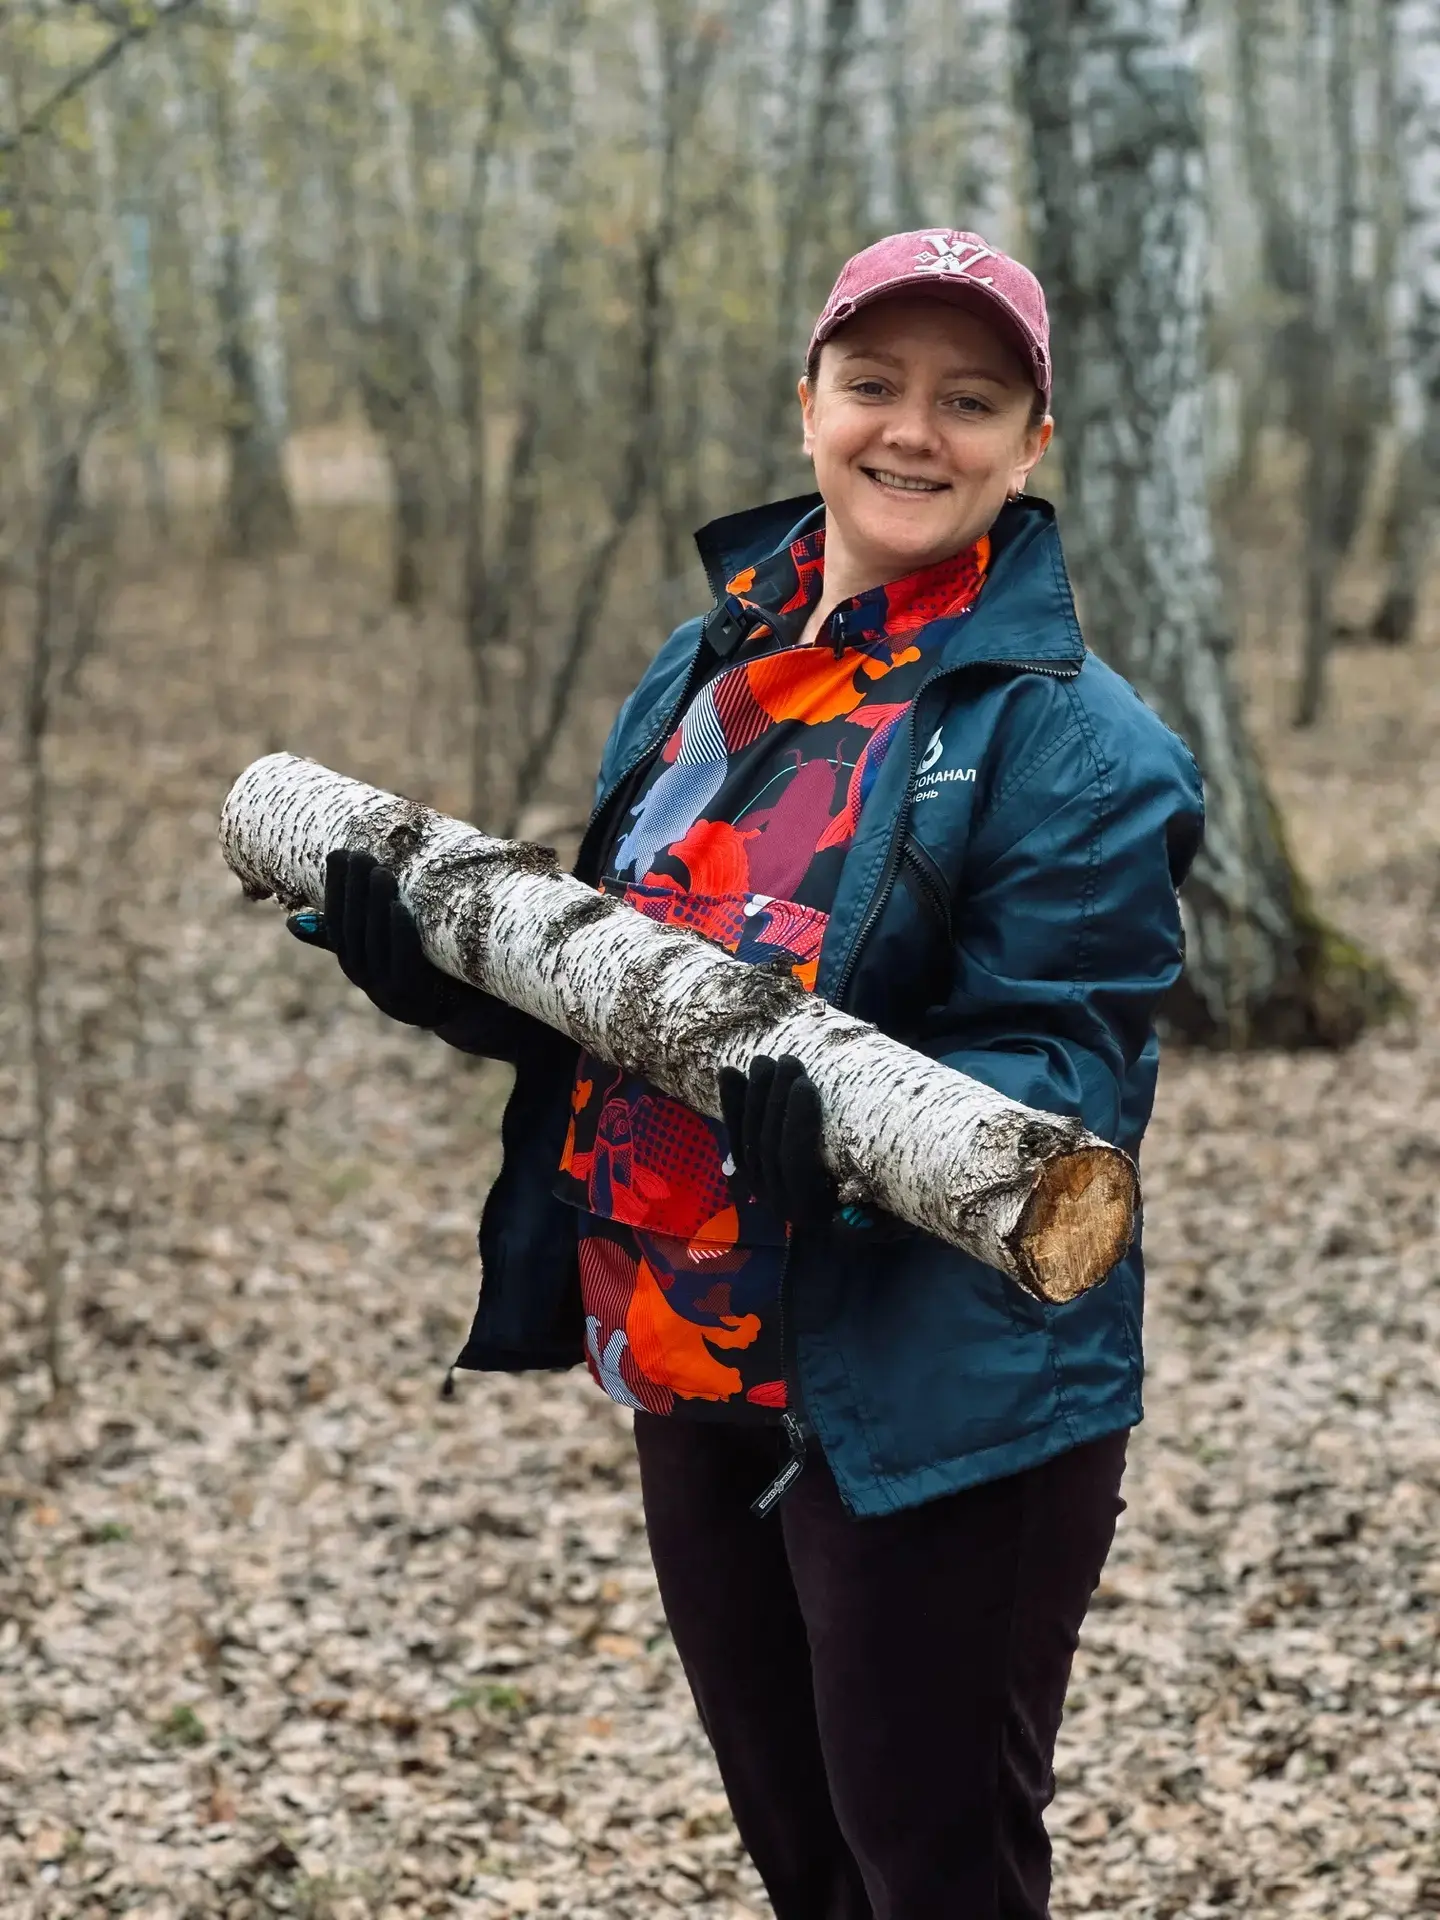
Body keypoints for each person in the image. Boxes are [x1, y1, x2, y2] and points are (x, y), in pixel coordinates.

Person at [290, 230, 1205, 1919]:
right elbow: (636, 996)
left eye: (969, 400)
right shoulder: (707, 670)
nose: (912, 431)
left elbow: (1065, 1067)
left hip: (934, 1395)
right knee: (810, 1871)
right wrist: (453, 981)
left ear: (1032, 443)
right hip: (691, 1352)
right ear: (808, 405)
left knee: (936, 1874)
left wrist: (852, 1146)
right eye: (874, 384)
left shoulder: (1076, 741)